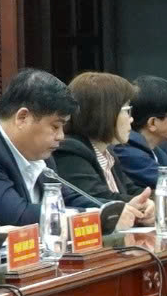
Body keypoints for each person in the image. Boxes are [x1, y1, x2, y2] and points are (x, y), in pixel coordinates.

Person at [0, 69, 154, 229]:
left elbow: (71, 199)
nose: (61, 136)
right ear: (23, 118)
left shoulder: (39, 154)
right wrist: (101, 218)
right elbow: (19, 217)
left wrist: (120, 208)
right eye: (55, 126)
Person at [51, 72, 136, 202]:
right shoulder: (70, 151)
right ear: (105, 113)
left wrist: (151, 201)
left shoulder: (107, 152)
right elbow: (97, 198)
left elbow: (131, 190)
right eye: (127, 110)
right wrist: (141, 204)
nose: (131, 119)